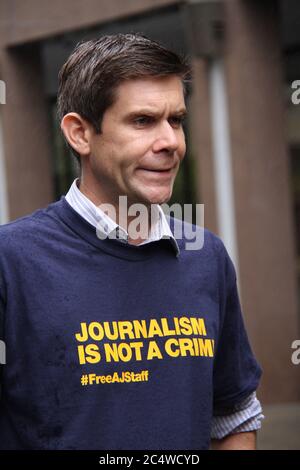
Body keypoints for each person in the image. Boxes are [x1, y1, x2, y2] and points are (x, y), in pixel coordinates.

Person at [0, 33, 263, 450]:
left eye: (176, 120)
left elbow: (233, 413)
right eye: (142, 121)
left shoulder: (205, 255)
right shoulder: (11, 260)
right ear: (80, 134)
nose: (170, 142)